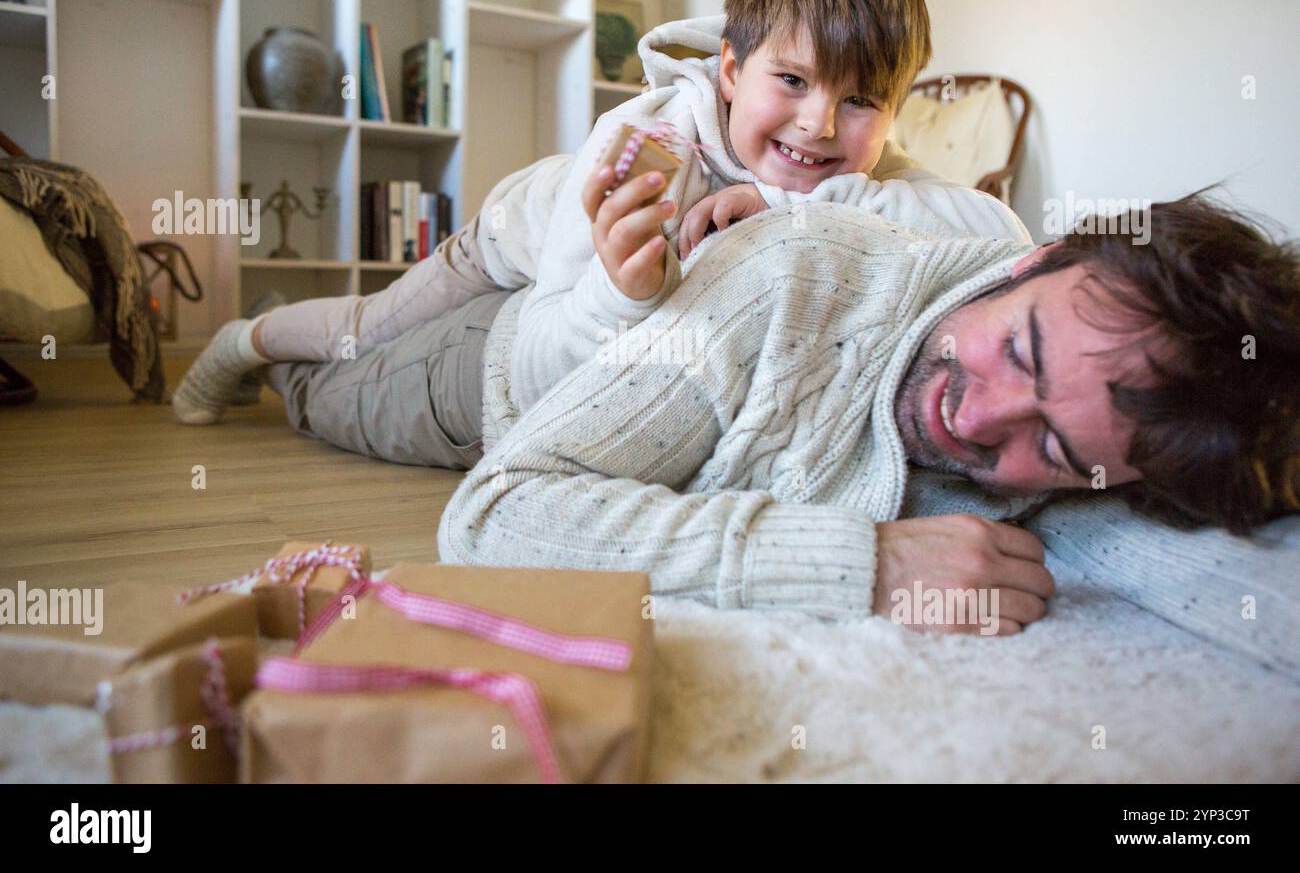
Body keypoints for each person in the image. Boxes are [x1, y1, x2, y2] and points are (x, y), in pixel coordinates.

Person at [172, 0, 1029, 426]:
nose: (818, 124)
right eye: (793, 82)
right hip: (511, 238)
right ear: (730, 69)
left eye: (861, 101)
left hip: (558, 275)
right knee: (370, 327)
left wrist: (776, 202)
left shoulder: (868, 170)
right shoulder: (652, 138)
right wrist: (621, 290)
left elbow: (1004, 239)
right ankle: (246, 340)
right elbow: (550, 336)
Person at [431, 189, 1300, 635]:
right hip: (489, 375)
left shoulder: (1121, 433)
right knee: (334, 370)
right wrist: (867, 566)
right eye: (1021, 350)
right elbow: (492, 515)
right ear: (1033, 260)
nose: (981, 419)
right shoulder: (788, 275)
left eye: (1053, 444)